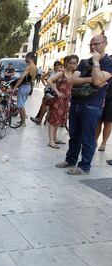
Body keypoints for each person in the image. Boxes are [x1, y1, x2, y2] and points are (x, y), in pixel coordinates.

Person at [55, 34, 112, 175]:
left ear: (105, 43)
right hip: (76, 103)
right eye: (91, 44)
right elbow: (73, 80)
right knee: (74, 135)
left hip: (92, 105)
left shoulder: (108, 63)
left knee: (88, 137)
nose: (93, 46)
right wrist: (92, 79)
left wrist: (97, 62)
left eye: (96, 43)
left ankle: (84, 166)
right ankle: (71, 160)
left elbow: (99, 80)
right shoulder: (84, 62)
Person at [46, 55, 79, 148]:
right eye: (70, 63)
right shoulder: (62, 73)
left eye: (74, 63)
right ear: (66, 63)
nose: (72, 65)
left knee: (59, 119)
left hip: (66, 101)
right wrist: (57, 91)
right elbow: (49, 80)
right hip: (58, 100)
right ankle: (51, 141)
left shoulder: (74, 74)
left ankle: (55, 138)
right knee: (54, 120)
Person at [13, 52, 37, 127]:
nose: (25, 59)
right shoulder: (35, 67)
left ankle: (23, 123)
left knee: (20, 105)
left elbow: (22, 78)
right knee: (22, 104)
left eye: (26, 58)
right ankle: (22, 121)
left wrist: (15, 87)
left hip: (24, 87)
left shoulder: (29, 66)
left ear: (30, 58)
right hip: (28, 86)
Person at [95, 82, 112, 151]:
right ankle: (94, 140)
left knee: (108, 122)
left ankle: (103, 143)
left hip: (111, 100)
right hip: (101, 96)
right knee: (98, 120)